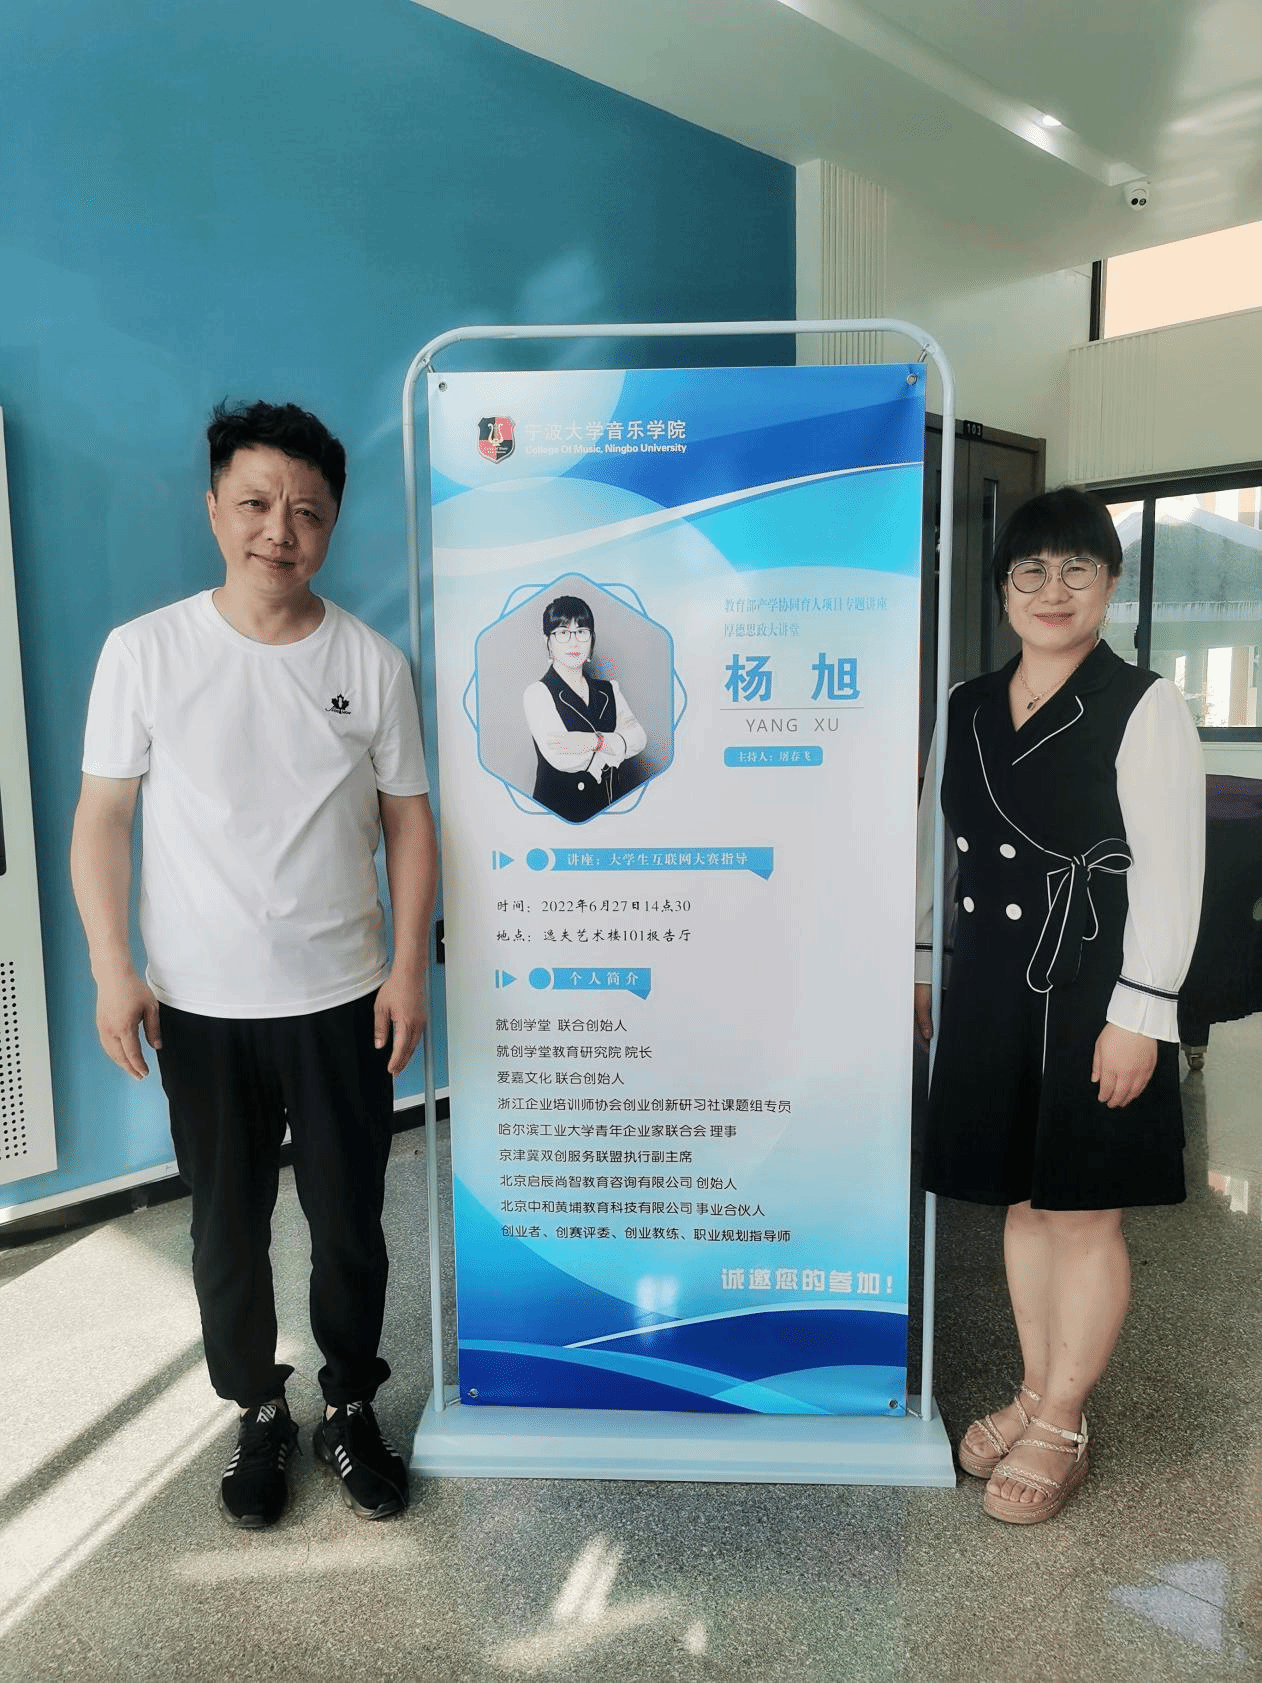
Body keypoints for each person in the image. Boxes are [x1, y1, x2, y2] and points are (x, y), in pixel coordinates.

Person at [70, 401, 437, 1529]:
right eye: (257, 503)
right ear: (215, 510)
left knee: (349, 1224)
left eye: (307, 511)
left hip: (341, 999)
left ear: (331, 526)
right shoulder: (145, 652)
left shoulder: (370, 662)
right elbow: (102, 819)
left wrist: (407, 968)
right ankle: (258, 1410)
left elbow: (410, 822)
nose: (281, 529)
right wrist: (112, 966)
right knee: (224, 1230)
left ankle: (349, 1406)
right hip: (200, 1005)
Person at [913, 486, 1204, 1525]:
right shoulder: (966, 703)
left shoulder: (1143, 703)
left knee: (1082, 1209)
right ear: (1002, 591)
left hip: (1094, 985)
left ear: (1109, 584)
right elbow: (934, 840)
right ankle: (1035, 1391)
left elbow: (1171, 872)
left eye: (1077, 567)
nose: (1053, 589)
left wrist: (1143, 1011)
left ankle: (1065, 1422)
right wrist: (920, 961)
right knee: (1020, 1201)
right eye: (1029, 570)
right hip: (992, 978)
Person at [522, 594, 646, 822]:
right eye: (562, 633)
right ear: (548, 642)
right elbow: (562, 757)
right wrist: (616, 744)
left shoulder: (609, 690)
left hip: (610, 809)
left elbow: (638, 738)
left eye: (581, 631)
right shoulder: (537, 693)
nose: (574, 642)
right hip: (559, 816)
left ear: (591, 639)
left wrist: (594, 741)